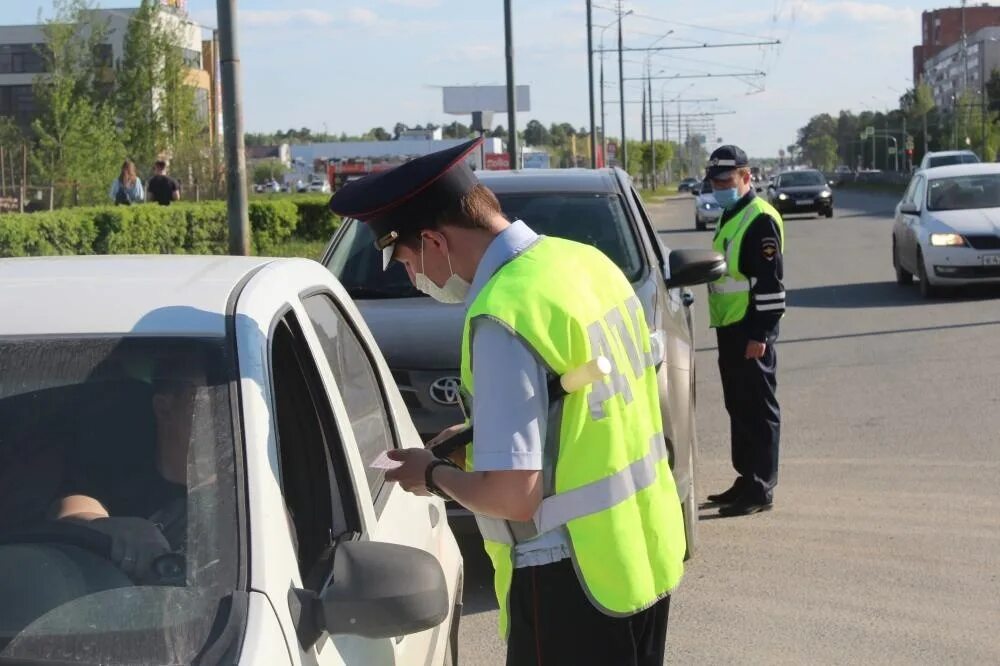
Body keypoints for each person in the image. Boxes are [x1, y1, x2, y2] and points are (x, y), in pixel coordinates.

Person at [328, 138, 686, 666]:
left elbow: (514, 496)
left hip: (568, 580)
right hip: (641, 556)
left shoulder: (502, 315)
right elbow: (583, 403)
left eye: (404, 260)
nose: (412, 276)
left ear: (434, 242)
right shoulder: (587, 264)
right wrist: (476, 439)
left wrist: (431, 475)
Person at [51, 356, 197, 579]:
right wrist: (119, 530)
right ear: (164, 409)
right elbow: (71, 514)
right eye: (205, 405)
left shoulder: (247, 490)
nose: (221, 424)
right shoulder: (116, 465)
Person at [702, 145, 786, 517]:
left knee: (758, 407)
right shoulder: (731, 213)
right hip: (731, 325)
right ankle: (745, 477)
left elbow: (770, 284)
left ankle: (760, 488)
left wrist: (761, 334)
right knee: (738, 405)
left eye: (726, 180)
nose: (720, 186)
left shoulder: (759, 218)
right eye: (716, 181)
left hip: (751, 329)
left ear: (746, 177)